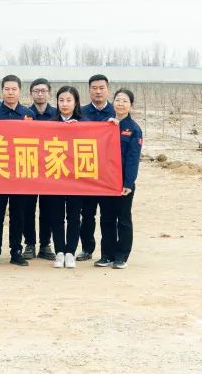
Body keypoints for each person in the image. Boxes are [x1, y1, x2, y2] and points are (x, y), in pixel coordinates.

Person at [0, 75, 34, 267]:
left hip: (21, 173)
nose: (10, 92)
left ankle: (16, 251)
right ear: (1, 91)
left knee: (18, 215)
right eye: (7, 89)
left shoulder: (28, 114)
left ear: (20, 91)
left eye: (14, 89)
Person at [97, 88, 142, 269]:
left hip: (123, 182)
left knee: (123, 219)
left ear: (131, 105)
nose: (120, 104)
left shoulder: (134, 129)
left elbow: (133, 158)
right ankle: (106, 255)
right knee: (106, 218)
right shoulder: (105, 124)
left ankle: (122, 256)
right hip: (106, 181)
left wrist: (128, 183)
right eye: (117, 100)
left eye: (125, 101)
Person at [77, 74, 116, 262]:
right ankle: (87, 248)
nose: (98, 92)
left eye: (102, 88)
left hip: (109, 173)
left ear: (108, 90)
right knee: (87, 214)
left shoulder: (116, 112)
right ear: (89, 90)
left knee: (108, 215)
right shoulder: (81, 112)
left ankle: (108, 252)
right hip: (87, 171)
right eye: (94, 88)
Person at [48, 86, 83, 269]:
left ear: (75, 102)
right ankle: (59, 251)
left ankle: (70, 252)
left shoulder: (85, 124)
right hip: (55, 177)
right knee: (56, 216)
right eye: (61, 100)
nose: (65, 104)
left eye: (69, 100)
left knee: (74, 216)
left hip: (76, 180)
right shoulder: (50, 123)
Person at [26, 78, 57, 260]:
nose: (40, 94)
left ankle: (45, 244)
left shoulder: (56, 114)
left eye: (43, 91)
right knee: (28, 209)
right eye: (36, 91)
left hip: (50, 168)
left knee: (48, 209)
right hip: (28, 167)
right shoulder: (25, 114)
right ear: (31, 94)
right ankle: (29, 244)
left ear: (49, 94)